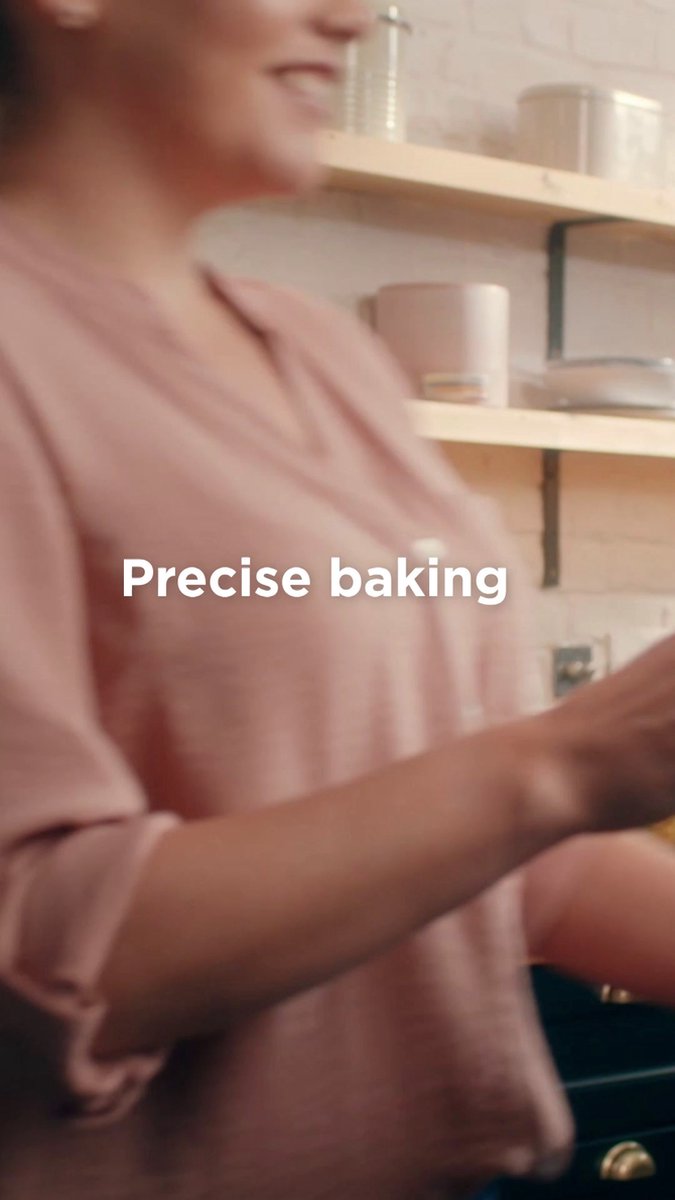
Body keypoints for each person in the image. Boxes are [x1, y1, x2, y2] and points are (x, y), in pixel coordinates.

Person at [3, 2, 675, 1198]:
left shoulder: (328, 354)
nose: (353, 16)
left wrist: (558, 781)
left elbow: (497, 857)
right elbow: (38, 948)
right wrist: (568, 760)